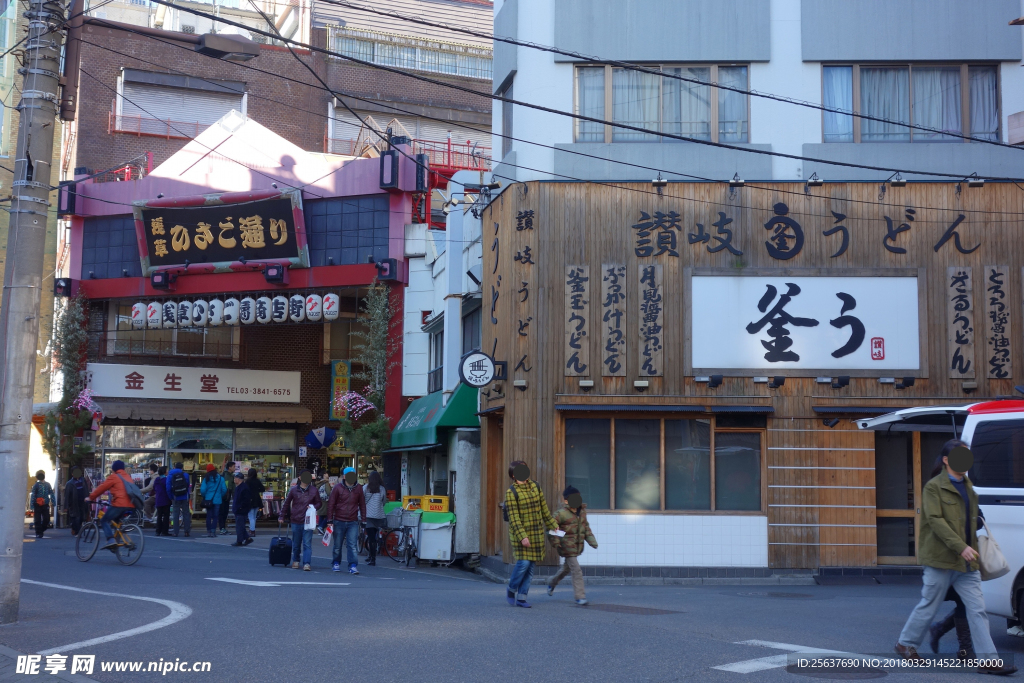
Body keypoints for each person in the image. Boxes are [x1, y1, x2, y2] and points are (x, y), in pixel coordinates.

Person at [894, 440, 1017, 675]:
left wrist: (970, 547)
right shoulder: (933, 488)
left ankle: (988, 661)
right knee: (929, 606)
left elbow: (973, 521)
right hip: (940, 560)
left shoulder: (969, 488)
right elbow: (936, 521)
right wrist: (961, 546)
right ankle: (905, 644)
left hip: (966, 563)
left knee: (978, 610)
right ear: (946, 460)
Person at [504, 461, 558, 608]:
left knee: (530, 566)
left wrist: (553, 525)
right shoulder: (511, 492)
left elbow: (544, 509)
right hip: (520, 534)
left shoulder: (536, 486)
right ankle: (511, 589)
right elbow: (514, 518)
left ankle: (522, 597)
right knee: (524, 563)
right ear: (514, 475)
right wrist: (523, 536)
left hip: (536, 533)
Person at [546, 485, 598, 605]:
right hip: (566, 546)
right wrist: (557, 542)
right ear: (566, 500)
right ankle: (580, 596)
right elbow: (551, 528)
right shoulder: (561, 514)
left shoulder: (582, 512)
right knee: (576, 570)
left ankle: (552, 582)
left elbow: (586, 528)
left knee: (566, 569)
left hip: (577, 546)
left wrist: (592, 541)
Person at [279, 469, 322, 571]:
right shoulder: (294, 490)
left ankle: (307, 563)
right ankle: (296, 560)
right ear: (300, 478)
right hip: (296, 519)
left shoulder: (313, 490)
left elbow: (319, 503)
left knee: (307, 543)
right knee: (296, 543)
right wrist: (282, 516)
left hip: (308, 520)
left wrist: (313, 507)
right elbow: (286, 503)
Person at [88, 461, 135, 551]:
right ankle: (115, 545)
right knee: (116, 523)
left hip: (119, 504)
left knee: (104, 520)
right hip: (131, 505)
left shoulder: (114, 477)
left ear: (114, 469)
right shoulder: (128, 477)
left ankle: (110, 540)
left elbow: (102, 488)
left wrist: (90, 497)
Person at [327, 467, 366, 574]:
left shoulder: (358, 488)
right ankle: (336, 563)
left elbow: (362, 504)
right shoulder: (337, 488)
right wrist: (329, 519)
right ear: (344, 476)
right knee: (337, 545)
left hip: (353, 520)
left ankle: (353, 565)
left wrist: (363, 519)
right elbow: (331, 504)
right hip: (339, 520)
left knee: (352, 545)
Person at [363, 470, 387, 566]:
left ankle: (372, 558)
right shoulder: (382, 489)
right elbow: (384, 501)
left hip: (368, 516)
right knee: (374, 537)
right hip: (378, 515)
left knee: (370, 537)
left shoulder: (365, 488)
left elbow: (362, 501)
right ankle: (372, 556)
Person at [63, 467, 92, 536]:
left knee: (82, 517)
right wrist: (66, 506)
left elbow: (86, 490)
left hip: (83, 501)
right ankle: (77, 531)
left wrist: (88, 498)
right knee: (76, 517)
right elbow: (66, 495)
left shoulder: (83, 480)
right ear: (72, 474)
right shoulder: (69, 483)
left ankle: (76, 529)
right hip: (73, 503)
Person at [165, 461, 192, 537]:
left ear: (174, 467)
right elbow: (188, 486)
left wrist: (171, 497)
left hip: (175, 497)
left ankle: (175, 532)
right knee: (186, 514)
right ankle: (186, 531)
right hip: (184, 497)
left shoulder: (170, 475)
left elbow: (168, 488)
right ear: (182, 468)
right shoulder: (186, 475)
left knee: (175, 515)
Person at [200, 464, 226, 538]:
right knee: (215, 516)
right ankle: (213, 531)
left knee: (208, 516)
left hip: (208, 500)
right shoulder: (221, 479)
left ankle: (208, 531)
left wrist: (205, 496)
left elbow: (203, 490)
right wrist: (220, 496)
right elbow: (224, 489)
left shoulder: (206, 479)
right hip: (217, 500)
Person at [30, 471, 55, 539]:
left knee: (46, 519)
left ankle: (41, 530)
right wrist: (32, 505)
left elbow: (51, 493)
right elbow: (33, 495)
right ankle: (38, 532)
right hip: (37, 504)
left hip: (45, 504)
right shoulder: (36, 485)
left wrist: (53, 501)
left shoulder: (47, 484)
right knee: (37, 519)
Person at [231, 472, 254, 547]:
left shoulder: (244, 488)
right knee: (240, 526)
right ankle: (247, 538)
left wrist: (240, 507)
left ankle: (239, 541)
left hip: (241, 510)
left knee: (239, 526)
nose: (234, 479)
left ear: (239, 479)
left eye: (235, 478)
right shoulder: (238, 487)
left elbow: (246, 500)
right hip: (238, 509)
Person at [246, 469, 265, 538]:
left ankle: (252, 530)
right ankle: (252, 530)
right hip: (257, 499)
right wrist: (257, 490)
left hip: (250, 500)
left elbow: (245, 490)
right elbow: (263, 489)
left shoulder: (248, 481)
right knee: (254, 516)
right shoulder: (257, 480)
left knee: (251, 516)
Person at [153, 466, 171, 536]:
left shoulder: (156, 479)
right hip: (166, 500)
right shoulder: (166, 480)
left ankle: (158, 531)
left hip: (158, 500)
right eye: (167, 470)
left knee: (159, 516)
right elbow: (168, 489)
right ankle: (164, 531)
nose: (168, 471)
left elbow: (154, 488)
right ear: (164, 472)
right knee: (166, 516)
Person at [219, 460, 236, 535]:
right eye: (234, 466)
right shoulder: (226, 476)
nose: (235, 468)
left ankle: (223, 528)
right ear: (229, 467)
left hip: (226, 497)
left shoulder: (231, 475)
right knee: (223, 513)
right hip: (224, 497)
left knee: (224, 513)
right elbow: (228, 487)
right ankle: (222, 528)